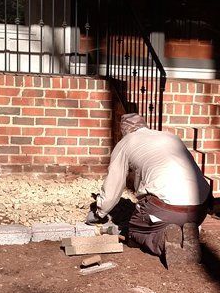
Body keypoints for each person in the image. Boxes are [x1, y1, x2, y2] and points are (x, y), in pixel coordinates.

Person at [88, 112, 211, 263]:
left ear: (124, 130)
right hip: (201, 208)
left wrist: (99, 213)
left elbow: (114, 186)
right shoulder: (170, 136)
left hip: (168, 210)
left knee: (135, 231)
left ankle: (164, 242)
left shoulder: (125, 143)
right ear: (144, 125)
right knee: (167, 214)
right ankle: (189, 232)